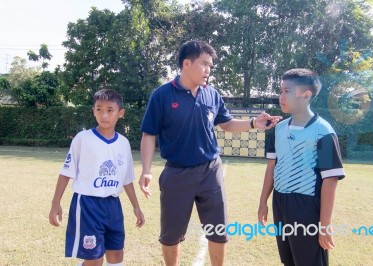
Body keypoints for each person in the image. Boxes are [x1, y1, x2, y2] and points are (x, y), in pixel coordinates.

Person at [139, 40, 282, 266]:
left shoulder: (212, 94)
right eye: (204, 64)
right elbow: (149, 135)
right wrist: (146, 170)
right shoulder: (162, 95)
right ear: (187, 63)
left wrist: (254, 123)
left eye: (210, 65)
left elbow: (226, 124)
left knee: (218, 230)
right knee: (170, 235)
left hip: (210, 170)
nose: (208, 70)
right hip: (177, 174)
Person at [258, 68, 345, 266]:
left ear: (306, 95)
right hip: (280, 202)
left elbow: (330, 181)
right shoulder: (278, 128)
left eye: (287, 91)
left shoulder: (323, 131)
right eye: (280, 91)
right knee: (289, 260)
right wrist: (264, 201)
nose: (281, 96)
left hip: (306, 206)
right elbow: (271, 167)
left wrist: (325, 225)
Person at [49, 89, 145, 266]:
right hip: (88, 205)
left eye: (110, 110)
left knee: (116, 254)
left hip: (113, 206)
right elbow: (66, 173)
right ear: (93, 111)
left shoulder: (123, 143)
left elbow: (126, 180)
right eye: (99, 109)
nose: (104, 115)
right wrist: (56, 203)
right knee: (94, 258)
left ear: (120, 113)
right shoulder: (82, 139)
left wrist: (136, 207)